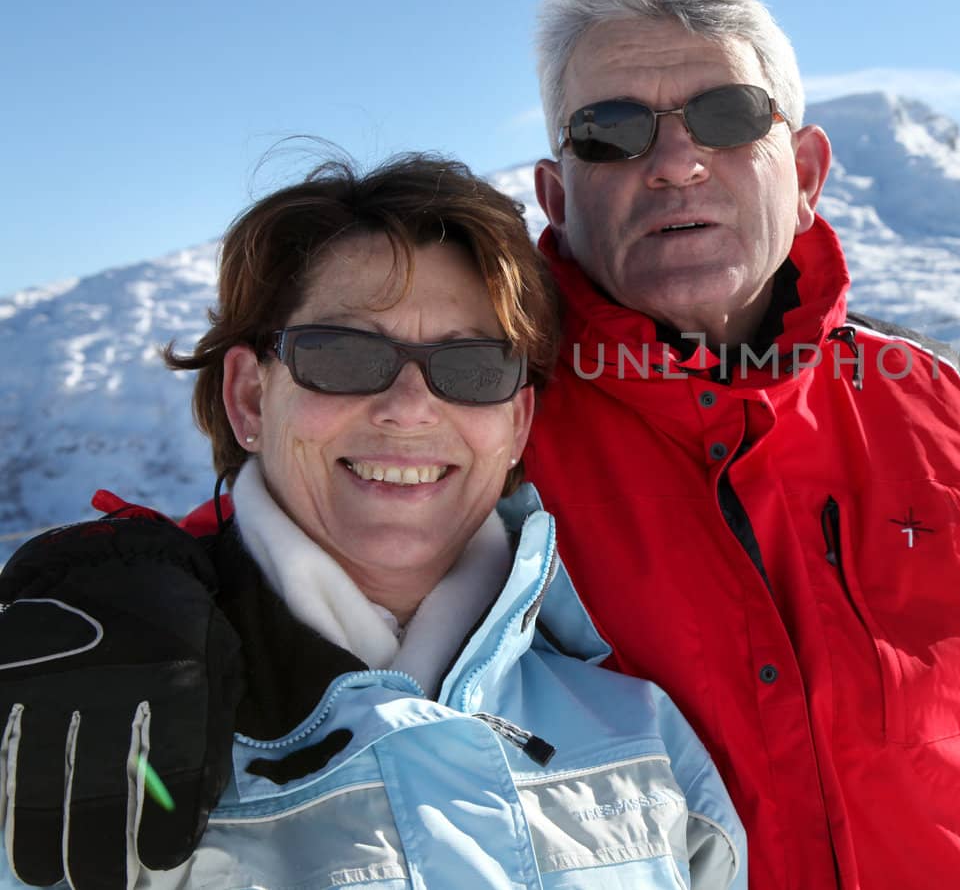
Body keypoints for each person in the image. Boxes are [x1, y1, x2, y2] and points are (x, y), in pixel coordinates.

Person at [3, 0, 960, 888]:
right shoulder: (495, 396)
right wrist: (116, 578)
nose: (673, 162)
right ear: (557, 191)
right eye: (612, 130)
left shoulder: (958, 417)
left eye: (724, 115)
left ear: (805, 166)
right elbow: (313, 512)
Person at [0, 155, 744, 889]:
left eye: (473, 367)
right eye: (346, 353)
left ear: (517, 422)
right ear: (252, 397)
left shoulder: (641, 740)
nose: (409, 406)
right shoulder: (89, 731)